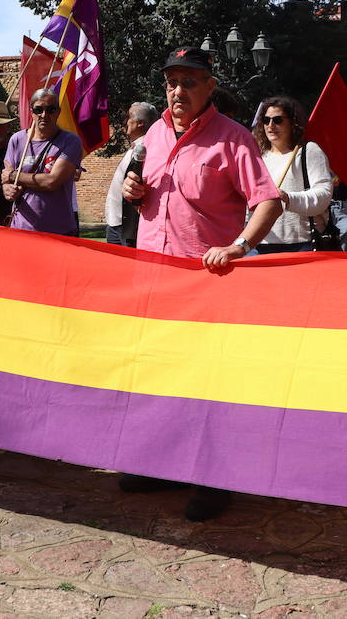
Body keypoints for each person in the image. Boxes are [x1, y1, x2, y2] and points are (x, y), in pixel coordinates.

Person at [119, 46, 281, 521]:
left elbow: (268, 202)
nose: (178, 90)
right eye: (172, 81)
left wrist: (239, 246)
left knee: (208, 382)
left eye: (189, 82)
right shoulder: (152, 133)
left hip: (206, 285)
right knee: (159, 377)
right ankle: (161, 465)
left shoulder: (232, 139)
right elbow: (152, 198)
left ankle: (216, 478)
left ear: (210, 87)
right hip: (154, 279)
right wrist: (135, 193)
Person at [251, 96, 332, 253]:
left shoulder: (308, 151)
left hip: (302, 243)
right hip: (260, 244)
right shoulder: (257, 156)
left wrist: (288, 198)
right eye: (266, 120)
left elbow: (324, 194)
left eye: (278, 120)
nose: (270, 125)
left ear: (292, 122)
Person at [2, 89, 83, 236]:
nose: (44, 115)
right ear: (31, 112)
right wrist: (7, 189)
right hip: (21, 230)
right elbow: (6, 178)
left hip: (59, 231)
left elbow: (51, 182)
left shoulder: (70, 141)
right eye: (39, 109)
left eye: (50, 109)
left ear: (58, 112)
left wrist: (14, 176)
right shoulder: (17, 140)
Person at [104, 102, 159, 246]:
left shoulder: (149, 150)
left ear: (140, 123)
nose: (125, 121)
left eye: (129, 117)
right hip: (115, 222)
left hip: (129, 226)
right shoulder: (134, 149)